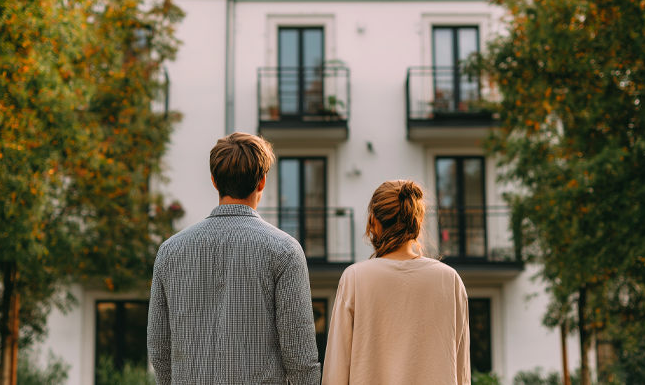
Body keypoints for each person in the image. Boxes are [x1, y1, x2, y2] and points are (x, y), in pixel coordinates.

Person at [147, 132, 321, 385]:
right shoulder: (285, 251)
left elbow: (160, 349)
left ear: (214, 181)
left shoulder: (170, 251)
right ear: (261, 182)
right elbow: (301, 359)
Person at [321, 180, 471, 385]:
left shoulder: (355, 278)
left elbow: (337, 370)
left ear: (373, 221)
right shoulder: (450, 280)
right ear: (417, 221)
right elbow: (461, 370)